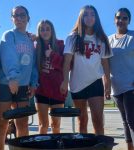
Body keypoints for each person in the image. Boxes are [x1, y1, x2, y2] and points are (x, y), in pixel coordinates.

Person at [60, 5, 112, 135]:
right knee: (82, 121)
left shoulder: (101, 39)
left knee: (98, 121)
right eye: (86, 14)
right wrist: (65, 81)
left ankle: (100, 146)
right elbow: (66, 62)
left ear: (96, 18)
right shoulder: (72, 38)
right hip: (77, 85)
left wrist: (107, 83)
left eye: (92, 14)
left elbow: (105, 63)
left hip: (95, 82)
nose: (89, 17)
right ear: (81, 18)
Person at [0, 6, 38, 150]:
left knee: (22, 124)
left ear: (28, 18)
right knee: (2, 123)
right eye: (15, 15)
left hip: (23, 86)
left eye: (22, 15)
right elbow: (8, 57)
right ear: (12, 18)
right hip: (7, 84)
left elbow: (33, 64)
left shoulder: (31, 40)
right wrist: (12, 78)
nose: (19, 18)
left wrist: (33, 82)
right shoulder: (9, 35)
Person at [109, 8, 134, 150]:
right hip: (116, 88)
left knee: (132, 121)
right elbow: (105, 63)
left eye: (125, 18)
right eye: (119, 17)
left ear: (129, 21)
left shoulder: (132, 37)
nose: (121, 20)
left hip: (131, 86)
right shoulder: (109, 39)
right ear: (114, 20)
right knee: (125, 121)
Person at [35, 20, 66, 134]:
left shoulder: (60, 45)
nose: (45, 31)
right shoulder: (36, 47)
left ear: (52, 30)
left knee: (56, 125)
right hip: (41, 91)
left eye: (47, 28)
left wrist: (52, 55)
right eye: (42, 29)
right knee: (43, 125)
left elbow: (67, 66)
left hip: (57, 91)